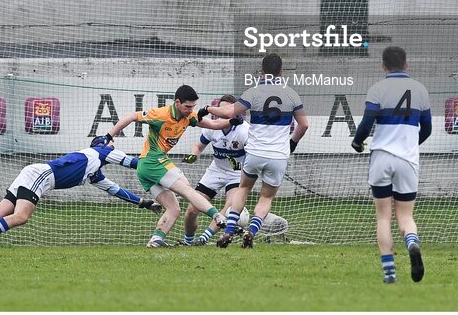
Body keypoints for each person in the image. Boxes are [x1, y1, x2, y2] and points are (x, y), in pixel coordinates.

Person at [0, 144, 161, 251]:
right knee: (22, 217)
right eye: (111, 143)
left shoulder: (94, 174)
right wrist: (160, 165)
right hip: (40, 176)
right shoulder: (101, 151)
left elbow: (116, 190)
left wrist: (143, 202)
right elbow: (133, 163)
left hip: (31, 173)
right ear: (104, 145)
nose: (114, 146)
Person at [97, 85, 237, 247]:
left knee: (174, 209)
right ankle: (218, 217)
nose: (190, 110)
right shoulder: (161, 114)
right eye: (187, 106)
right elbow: (131, 117)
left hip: (147, 168)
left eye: (193, 107)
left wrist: (232, 121)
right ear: (177, 102)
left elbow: (214, 125)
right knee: (187, 190)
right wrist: (108, 137)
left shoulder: (189, 117)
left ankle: (156, 240)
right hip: (153, 162)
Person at [204, 54, 310, 249]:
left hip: (254, 153)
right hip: (278, 155)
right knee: (266, 197)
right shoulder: (292, 94)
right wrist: (291, 144)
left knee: (243, 189)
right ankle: (252, 231)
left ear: (261, 72)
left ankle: (229, 230)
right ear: (281, 72)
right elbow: (304, 125)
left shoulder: (253, 92)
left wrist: (206, 108)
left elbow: (228, 113)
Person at [351, 46, 432, 284]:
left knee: (383, 217)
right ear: (406, 63)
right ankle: (412, 243)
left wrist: (357, 141)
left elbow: (367, 122)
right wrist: (411, 144)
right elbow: (426, 128)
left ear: (383, 65)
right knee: (406, 217)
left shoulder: (378, 88)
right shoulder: (420, 89)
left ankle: (390, 274)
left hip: (382, 157)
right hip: (407, 159)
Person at [179, 95, 249, 246]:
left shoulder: (244, 131)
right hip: (215, 171)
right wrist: (193, 155)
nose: (223, 112)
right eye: (221, 108)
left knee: (230, 207)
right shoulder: (212, 127)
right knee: (192, 209)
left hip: (237, 173)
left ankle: (203, 239)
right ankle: (188, 241)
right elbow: (198, 146)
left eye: (228, 109)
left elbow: (252, 157)